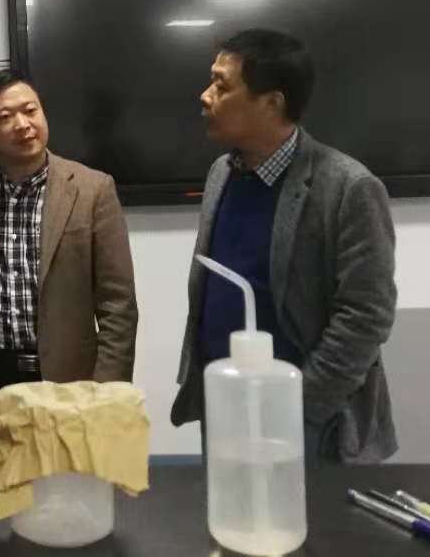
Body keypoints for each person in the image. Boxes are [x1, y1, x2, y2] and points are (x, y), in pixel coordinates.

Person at [169, 28, 398, 463]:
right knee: (227, 507)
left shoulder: (349, 188)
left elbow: (367, 316)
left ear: (272, 103)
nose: (205, 96)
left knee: (307, 512)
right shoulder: (221, 173)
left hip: (310, 420)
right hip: (225, 404)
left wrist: (297, 405)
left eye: (221, 85)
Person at [0, 68, 138, 468]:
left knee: (64, 492)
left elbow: (117, 305)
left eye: (30, 110)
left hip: (66, 377)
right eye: (5, 117)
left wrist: (106, 393)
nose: (23, 124)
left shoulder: (92, 189)